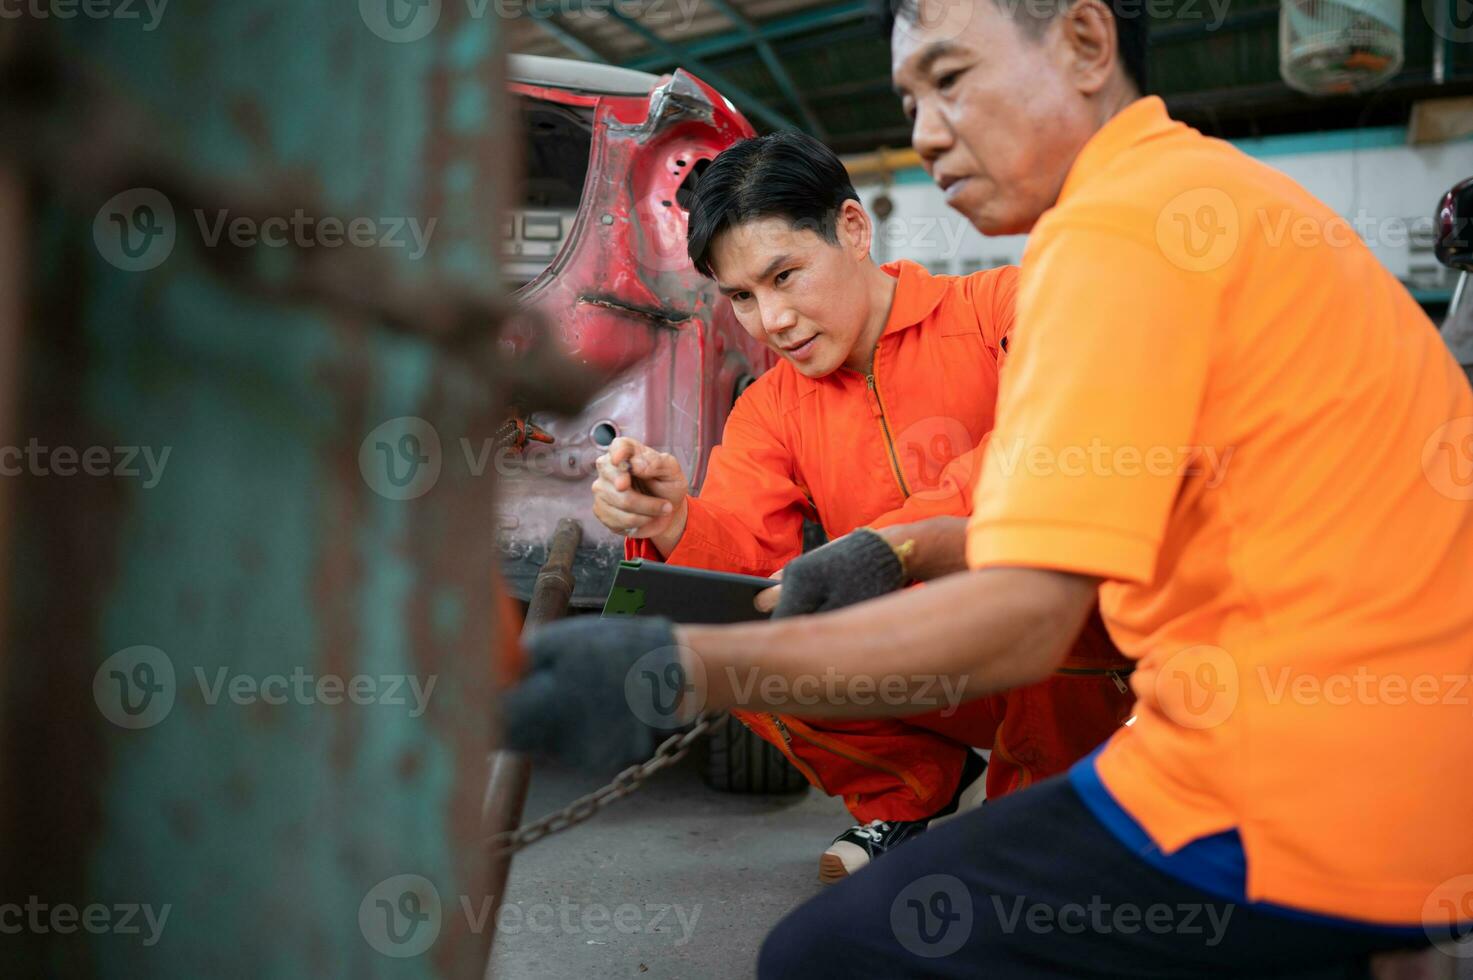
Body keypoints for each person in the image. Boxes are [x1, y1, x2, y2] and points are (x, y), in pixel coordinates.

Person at [509, 0, 1473, 972]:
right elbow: (988, 523)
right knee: (795, 628)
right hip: (1399, 752)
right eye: (909, 98)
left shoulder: (1091, 254)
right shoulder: (1188, 200)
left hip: (1299, 774)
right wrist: (690, 521)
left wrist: (686, 668)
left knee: (823, 952)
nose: (925, 131)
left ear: (1088, 43)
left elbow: (1025, 608)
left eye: (952, 79)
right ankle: (911, 803)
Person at [582, 129, 1133, 882]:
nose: (769, 320)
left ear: (851, 227)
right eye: (741, 296)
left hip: (1062, 658)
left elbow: (1041, 459)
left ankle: (1039, 821)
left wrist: (884, 547)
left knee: (1041, 581)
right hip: (920, 668)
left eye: (784, 276)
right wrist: (674, 521)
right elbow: (751, 568)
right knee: (745, 654)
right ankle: (913, 799)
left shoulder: (1003, 309)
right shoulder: (770, 406)